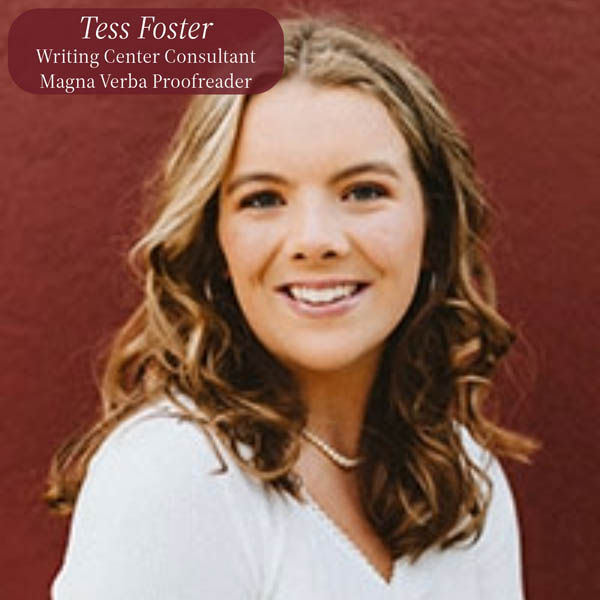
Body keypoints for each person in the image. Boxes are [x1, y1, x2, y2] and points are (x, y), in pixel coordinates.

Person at [48, 17, 537, 599]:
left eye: (363, 191)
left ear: (432, 224)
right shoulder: (173, 475)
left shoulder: (465, 477)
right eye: (263, 199)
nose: (315, 238)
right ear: (216, 243)